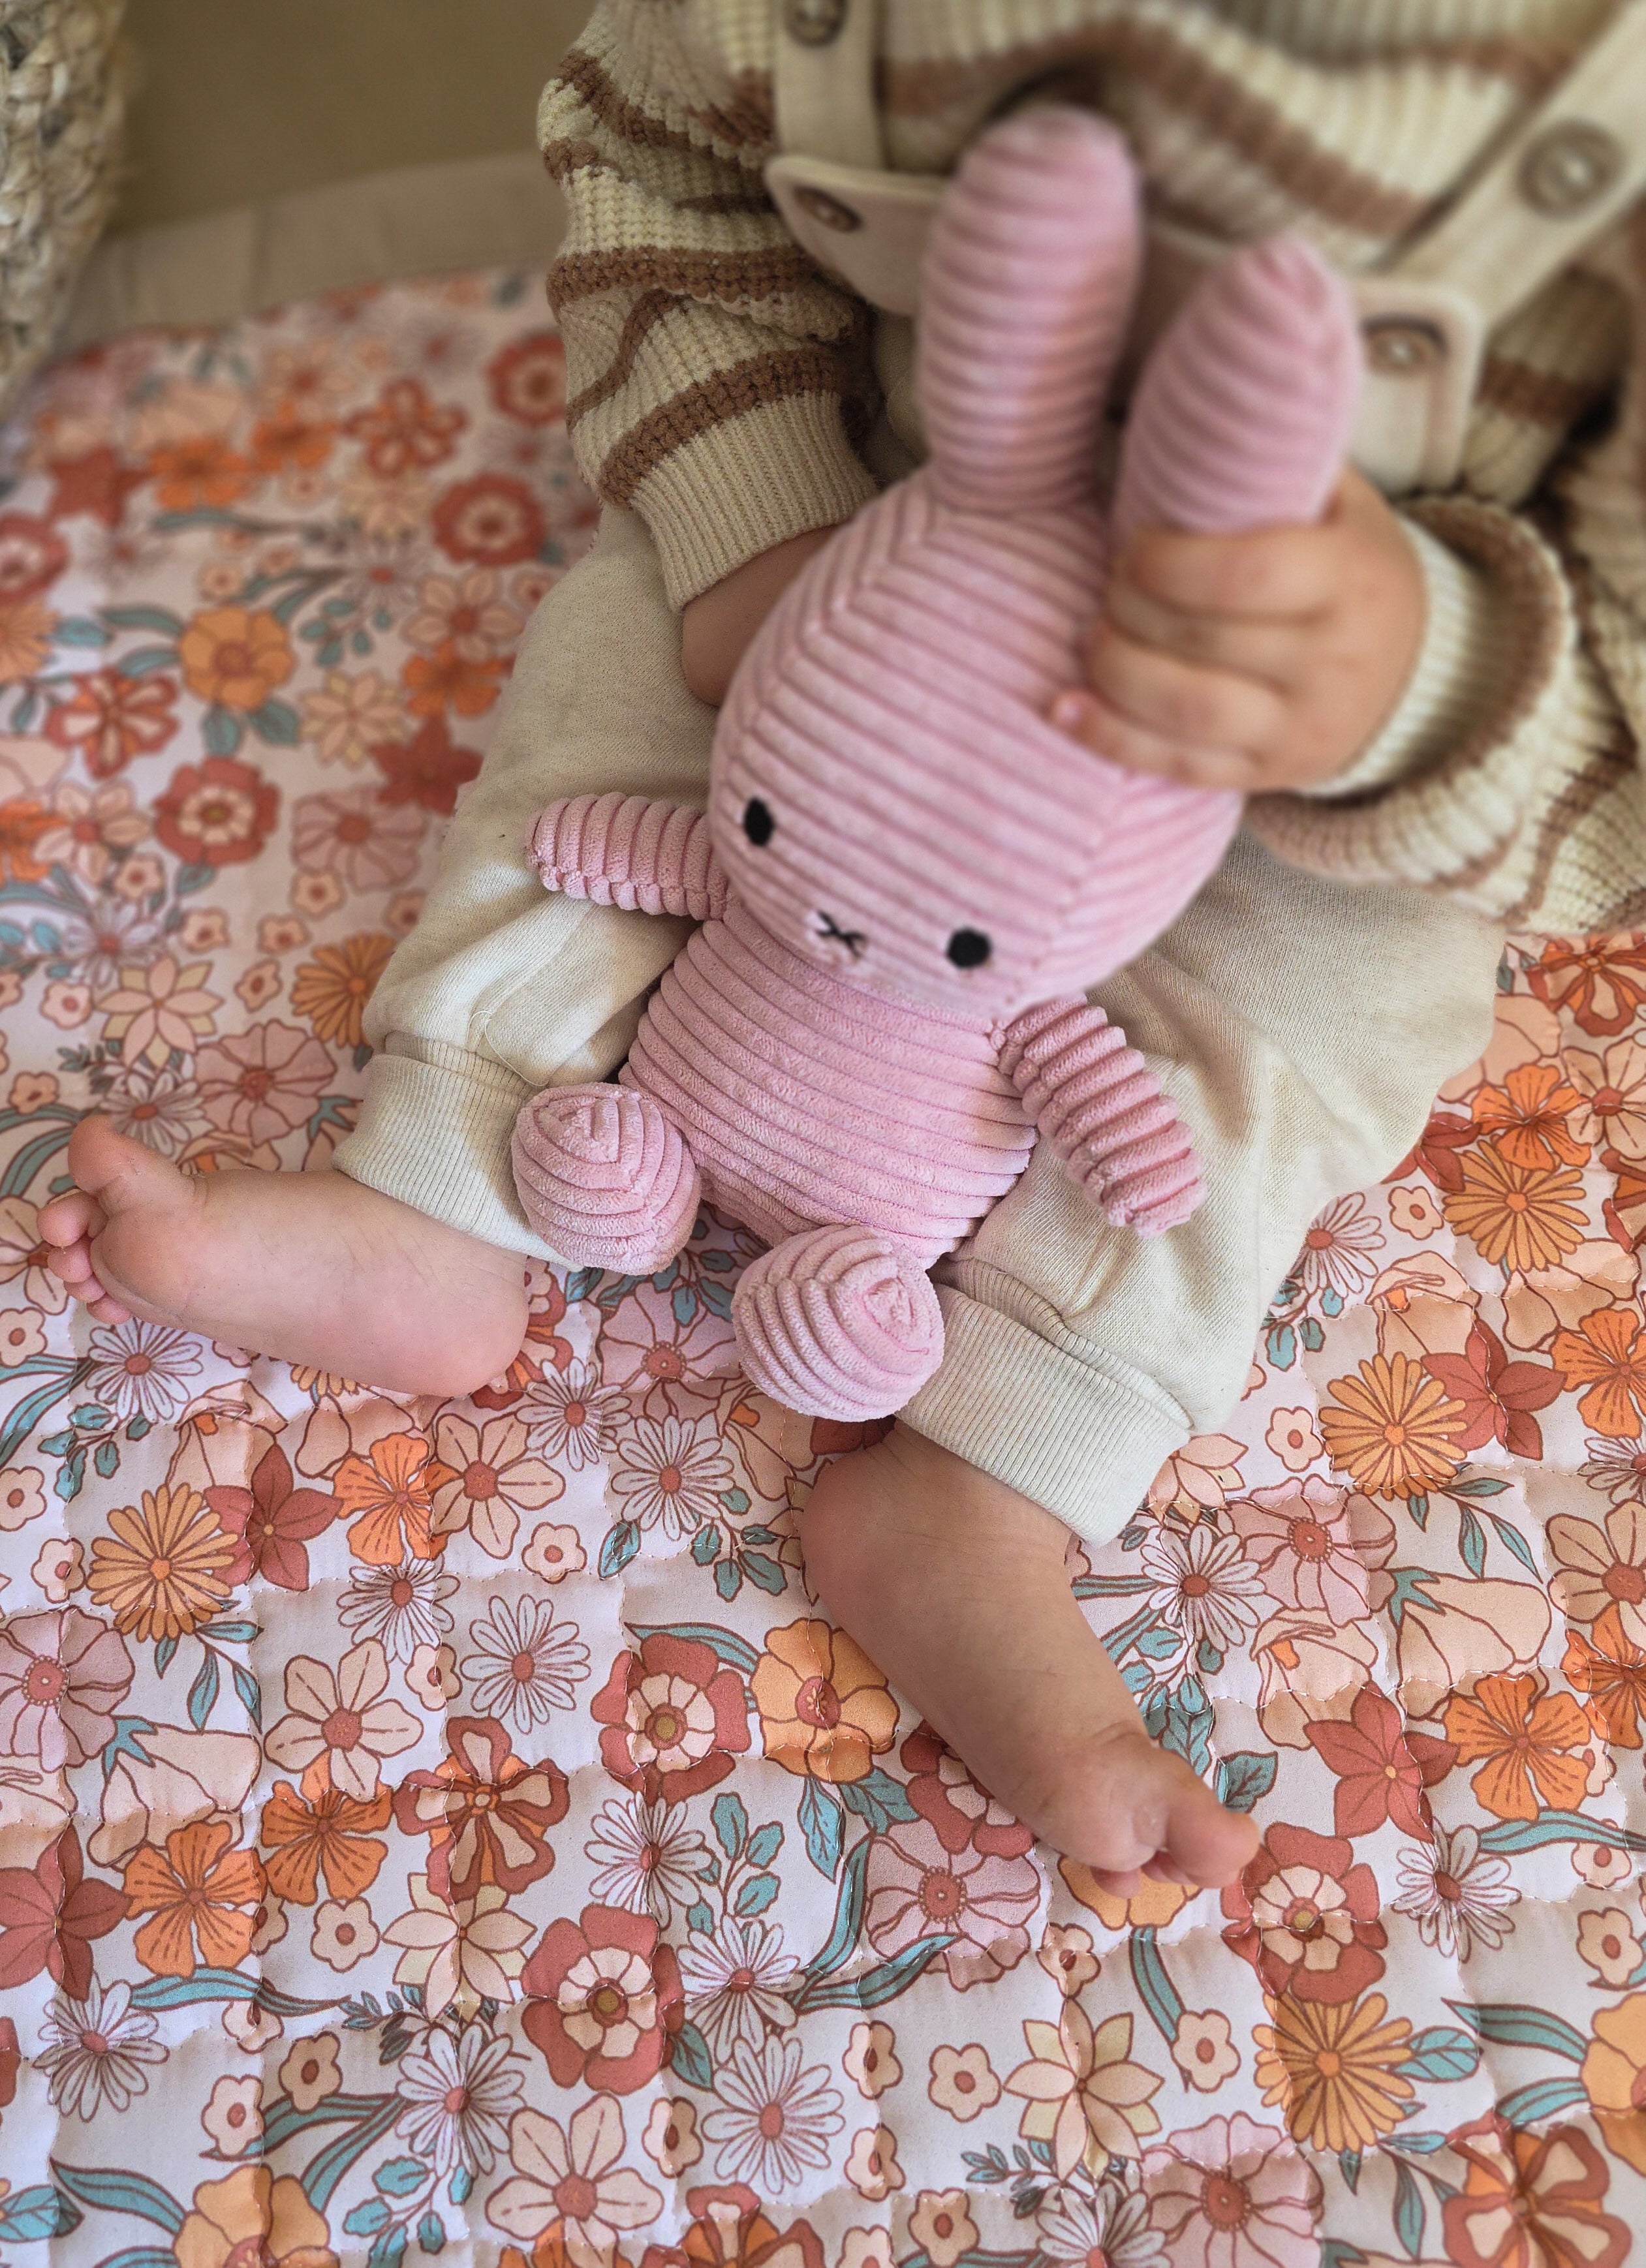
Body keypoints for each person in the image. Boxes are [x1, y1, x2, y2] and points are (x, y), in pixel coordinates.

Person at [40, 0, 1646, 1895]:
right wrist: (756, 545)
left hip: (1322, 772)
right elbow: (653, 171)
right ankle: (450, 1168)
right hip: (870, 566)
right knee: (614, 670)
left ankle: (994, 1464)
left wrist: (1412, 686)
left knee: (1326, 1003)